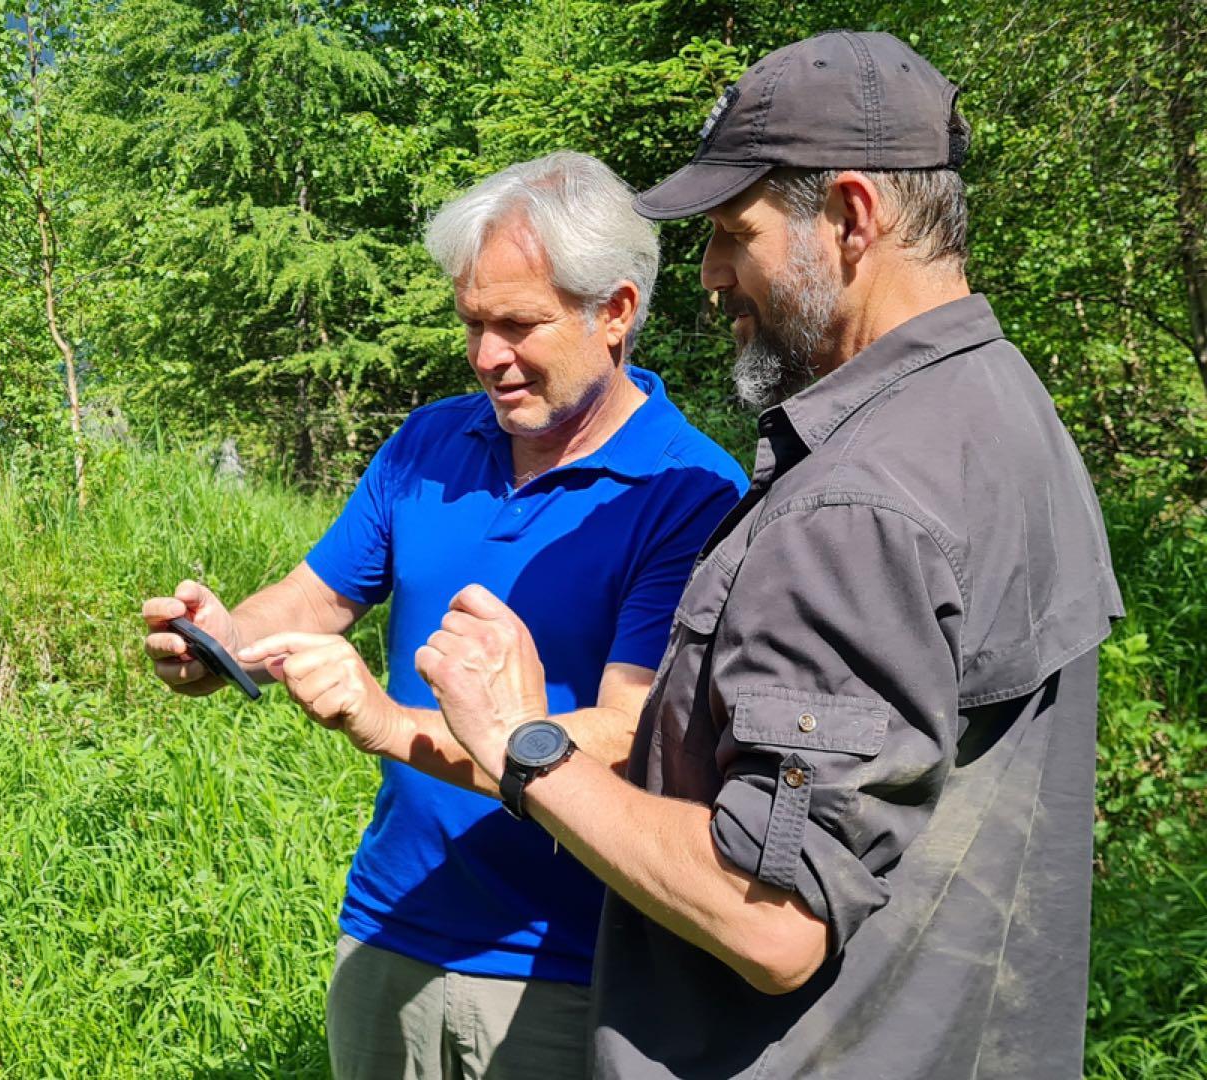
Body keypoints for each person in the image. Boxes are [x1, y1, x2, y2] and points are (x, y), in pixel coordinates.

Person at [414, 31, 1122, 1079]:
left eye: (732, 235)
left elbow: (771, 919)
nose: (708, 278)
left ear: (850, 216)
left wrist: (523, 744)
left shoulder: (851, 506)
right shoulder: (1005, 409)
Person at [140, 151, 745, 1079]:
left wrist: (385, 724)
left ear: (615, 312)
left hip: (570, 965)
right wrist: (221, 638)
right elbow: (316, 594)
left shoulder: (689, 492)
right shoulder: (430, 442)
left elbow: (630, 736)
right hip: (390, 924)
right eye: (471, 323)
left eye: (518, 324)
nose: (486, 357)